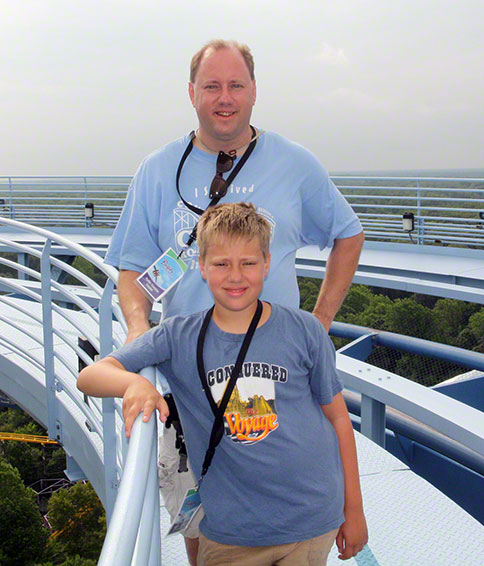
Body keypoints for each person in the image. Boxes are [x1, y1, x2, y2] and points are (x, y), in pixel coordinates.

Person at [104, 39, 365, 564]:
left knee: (286, 485)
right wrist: (138, 335)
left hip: (278, 370)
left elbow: (348, 232)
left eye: (236, 85)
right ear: (192, 93)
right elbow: (132, 268)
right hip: (191, 382)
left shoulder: (294, 162)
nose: (225, 98)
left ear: (253, 91)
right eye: (212, 86)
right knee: (202, 518)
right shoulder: (157, 170)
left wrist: (320, 320)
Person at [80, 202, 368, 566]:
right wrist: (133, 385)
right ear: (201, 267)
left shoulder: (304, 330)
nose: (236, 276)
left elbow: (339, 420)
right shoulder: (179, 336)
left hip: (311, 521)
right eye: (221, 264)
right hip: (232, 531)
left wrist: (353, 510)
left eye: (248, 263)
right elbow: (90, 375)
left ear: (267, 264)